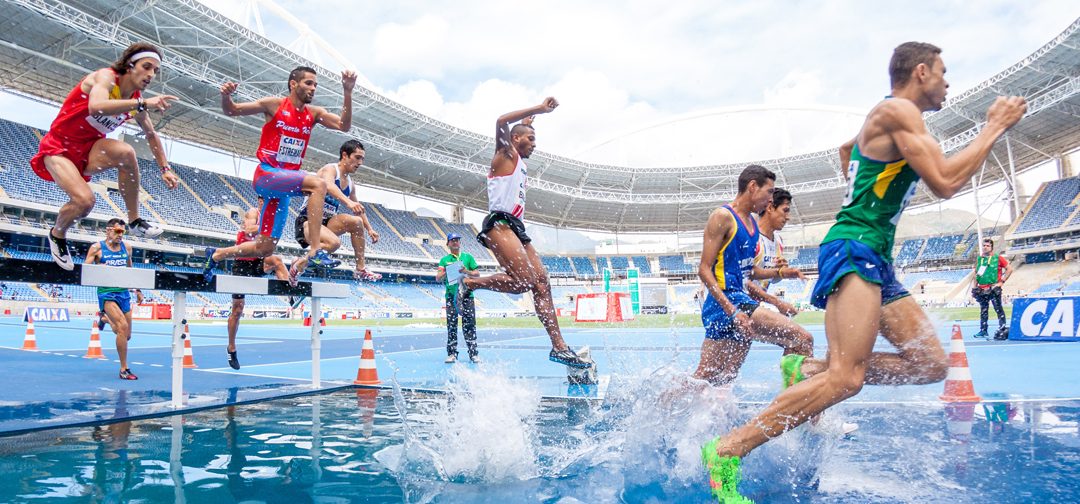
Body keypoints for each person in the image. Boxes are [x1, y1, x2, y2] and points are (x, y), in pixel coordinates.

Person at [700, 42, 1027, 502]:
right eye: (942, 72)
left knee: (932, 363)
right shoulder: (898, 111)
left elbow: (847, 148)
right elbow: (947, 181)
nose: (947, 82)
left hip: (874, 254)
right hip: (855, 250)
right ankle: (728, 450)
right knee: (846, 379)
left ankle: (806, 366)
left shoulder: (892, 119)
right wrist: (993, 126)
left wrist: (861, 194)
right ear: (919, 73)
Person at [458, 98, 591, 369]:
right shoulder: (505, 154)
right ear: (514, 139)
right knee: (523, 282)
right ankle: (470, 284)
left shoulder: (518, 157)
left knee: (542, 282)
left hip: (517, 228)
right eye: (529, 139)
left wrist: (531, 122)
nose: (534, 143)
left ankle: (559, 347)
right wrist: (538, 109)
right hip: (500, 224)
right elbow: (501, 122)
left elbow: (519, 127)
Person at [202, 66, 358, 283]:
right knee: (319, 184)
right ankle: (314, 250)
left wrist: (347, 91)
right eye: (308, 83)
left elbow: (344, 126)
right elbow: (232, 110)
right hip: (267, 175)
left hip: (284, 186)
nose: (313, 88)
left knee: (265, 248)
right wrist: (226, 96)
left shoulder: (314, 114)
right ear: (293, 84)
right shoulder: (273, 105)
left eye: (315, 85)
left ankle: (217, 254)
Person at [32, 42, 179, 270]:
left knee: (126, 153)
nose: (151, 74)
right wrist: (142, 103)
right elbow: (96, 107)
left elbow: (151, 134)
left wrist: (165, 168)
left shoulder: (135, 100)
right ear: (130, 65)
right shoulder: (106, 78)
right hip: (59, 147)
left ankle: (134, 220)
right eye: (147, 66)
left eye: (155, 71)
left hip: (89, 149)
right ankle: (57, 234)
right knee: (84, 202)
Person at [692, 166, 809, 387]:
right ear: (752, 186)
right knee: (802, 339)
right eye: (769, 192)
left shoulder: (752, 224)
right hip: (728, 302)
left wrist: (781, 272)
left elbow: (750, 271)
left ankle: (662, 404)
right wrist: (733, 311)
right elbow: (704, 269)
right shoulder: (723, 216)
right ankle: (795, 410)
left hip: (738, 303)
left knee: (715, 377)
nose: (770, 199)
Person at [294, 140, 382, 281]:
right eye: (357, 157)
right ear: (345, 155)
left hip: (327, 223)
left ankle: (360, 269)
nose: (360, 163)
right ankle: (299, 265)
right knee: (334, 243)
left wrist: (369, 229)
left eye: (362, 159)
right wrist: (347, 202)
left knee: (356, 221)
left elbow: (357, 206)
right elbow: (328, 185)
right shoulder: (330, 169)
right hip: (308, 221)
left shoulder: (351, 184)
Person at [226, 196, 291, 369]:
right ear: (260, 201)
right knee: (238, 309)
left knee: (277, 260)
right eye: (265, 201)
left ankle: (289, 292)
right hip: (241, 264)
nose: (267, 204)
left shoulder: (272, 216)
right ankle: (231, 347)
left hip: (257, 263)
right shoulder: (253, 212)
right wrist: (268, 227)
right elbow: (249, 229)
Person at [85, 218, 140, 380]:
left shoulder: (127, 248)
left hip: (123, 293)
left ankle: (104, 319)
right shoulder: (96, 248)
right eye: (117, 231)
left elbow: (130, 270)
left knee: (126, 334)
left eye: (123, 232)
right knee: (122, 327)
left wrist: (137, 290)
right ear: (108, 230)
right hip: (106, 293)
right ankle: (124, 369)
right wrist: (98, 268)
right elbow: (85, 270)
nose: (120, 235)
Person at [746, 188, 801, 317]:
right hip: (737, 306)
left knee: (796, 334)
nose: (788, 217)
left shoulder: (778, 241)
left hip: (753, 306)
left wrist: (780, 272)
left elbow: (772, 280)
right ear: (770, 208)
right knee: (802, 337)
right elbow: (742, 279)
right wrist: (777, 303)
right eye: (785, 210)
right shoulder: (751, 237)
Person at [436, 233, 480, 363]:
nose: (455, 242)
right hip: (451, 296)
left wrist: (466, 271)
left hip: (467, 296)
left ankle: (473, 354)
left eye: (457, 240)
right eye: (452, 240)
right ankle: (452, 354)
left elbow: (477, 274)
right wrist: (447, 271)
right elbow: (438, 277)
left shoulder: (468, 257)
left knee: (470, 324)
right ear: (448, 244)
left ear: (460, 243)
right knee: (451, 325)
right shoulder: (444, 260)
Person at [971, 237, 1011, 340]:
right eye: (984, 245)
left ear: (991, 247)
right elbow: (976, 274)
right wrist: (975, 287)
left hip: (994, 288)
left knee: (998, 309)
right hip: (982, 289)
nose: (985, 247)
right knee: (983, 310)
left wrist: (1001, 282)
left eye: (988, 246)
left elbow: (1009, 269)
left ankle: (1002, 328)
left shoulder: (998, 258)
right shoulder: (980, 259)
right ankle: (983, 330)